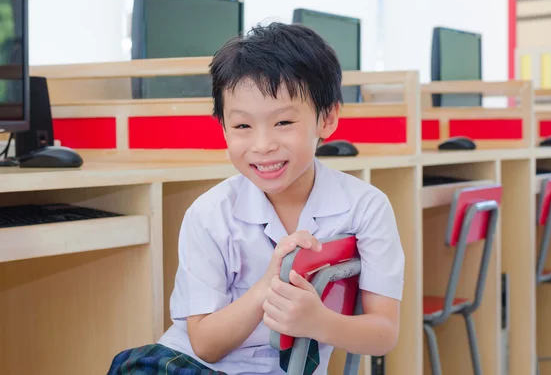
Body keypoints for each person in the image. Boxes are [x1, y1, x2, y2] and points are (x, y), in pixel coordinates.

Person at [109, 22, 405, 375]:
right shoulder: (209, 214)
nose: (262, 145)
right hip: (192, 364)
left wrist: (318, 322)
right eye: (243, 127)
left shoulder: (366, 208)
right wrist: (267, 286)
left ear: (327, 118)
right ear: (223, 128)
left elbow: (384, 333)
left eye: (283, 123)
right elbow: (205, 344)